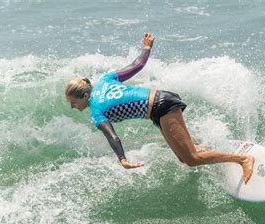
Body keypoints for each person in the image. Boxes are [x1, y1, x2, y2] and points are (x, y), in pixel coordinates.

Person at [65, 32, 255, 183]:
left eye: (73, 102)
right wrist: (146, 48)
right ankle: (211, 148)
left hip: (161, 107)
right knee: (184, 158)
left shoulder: (96, 110)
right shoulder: (105, 80)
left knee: (192, 159)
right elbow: (136, 65)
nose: (73, 106)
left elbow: (112, 136)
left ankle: (242, 160)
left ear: (85, 96)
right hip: (161, 102)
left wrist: (122, 159)